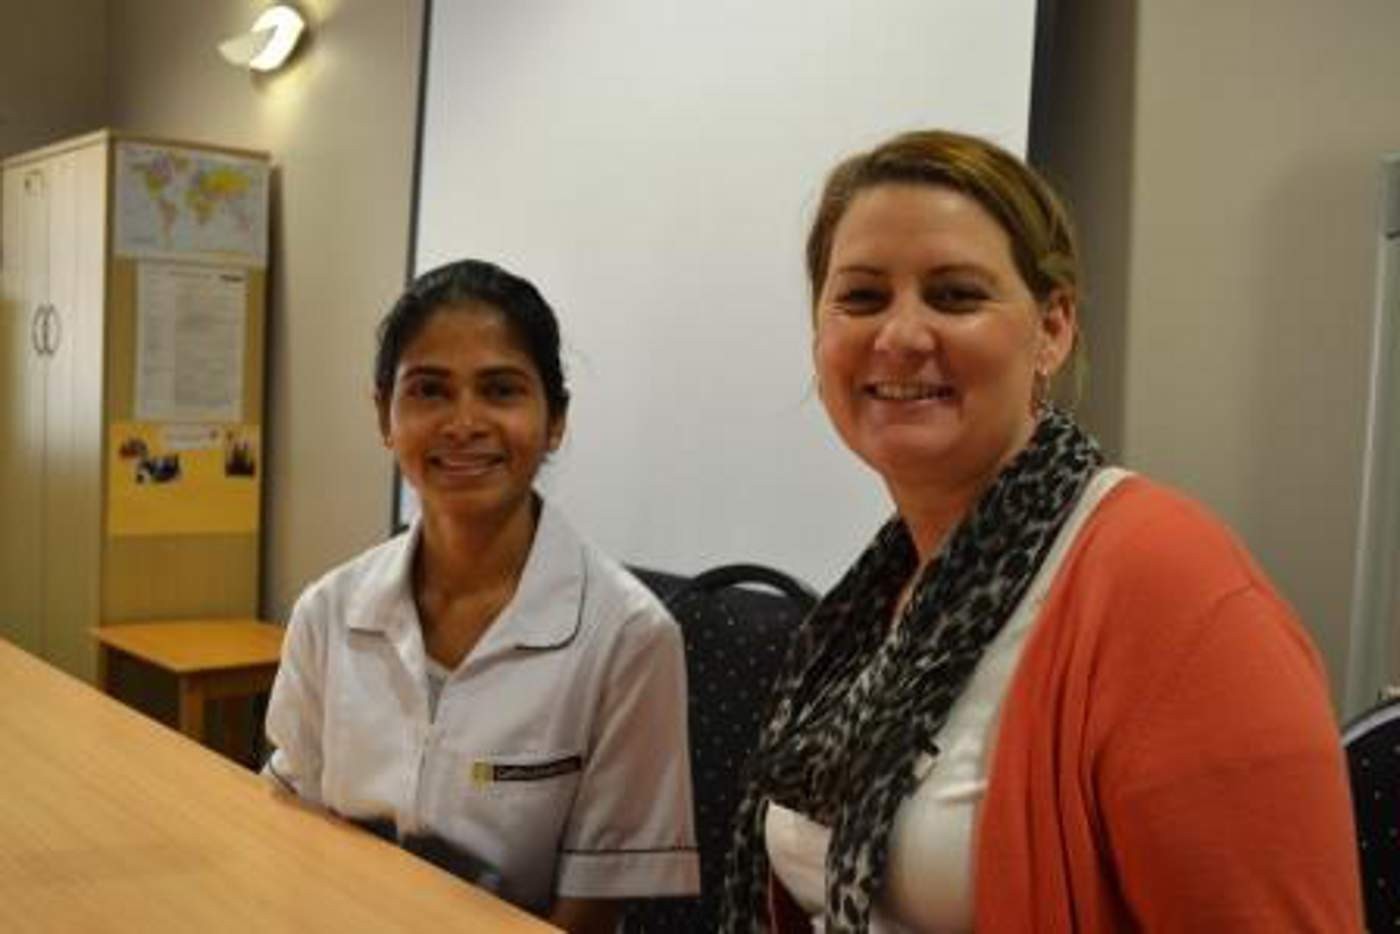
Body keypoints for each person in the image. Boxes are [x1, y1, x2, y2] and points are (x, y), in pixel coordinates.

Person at [721, 130, 1363, 933]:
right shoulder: (883, 595)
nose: (900, 335)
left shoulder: (1173, 590)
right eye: (861, 298)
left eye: (955, 295)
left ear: (1052, 329)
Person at [264, 259, 700, 932]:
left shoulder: (630, 636)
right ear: (385, 415)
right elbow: (291, 830)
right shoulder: (328, 611)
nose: (464, 423)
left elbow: (586, 913)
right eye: (430, 392)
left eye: (500, 390)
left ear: (554, 419)